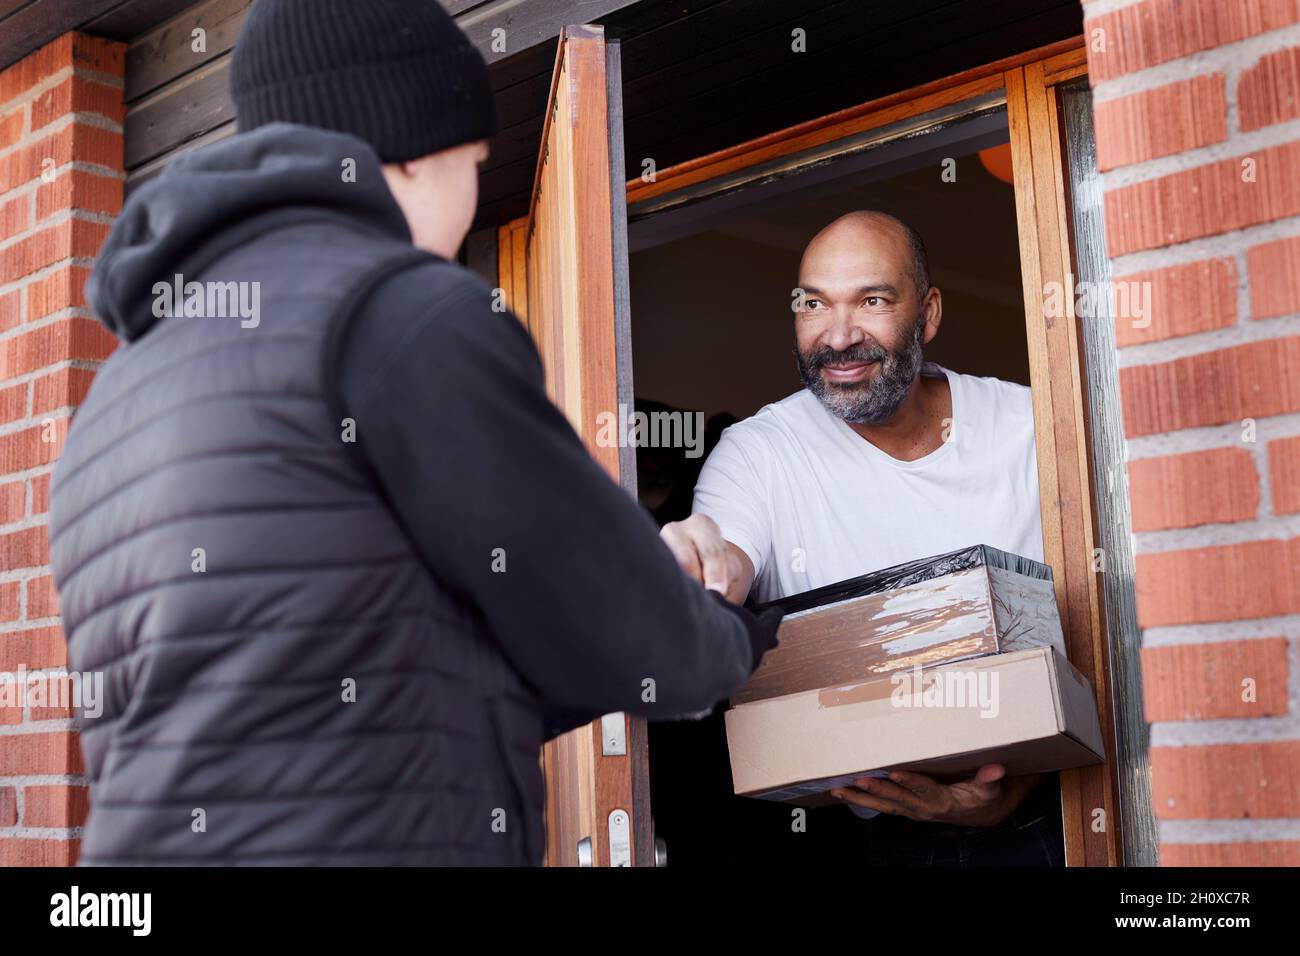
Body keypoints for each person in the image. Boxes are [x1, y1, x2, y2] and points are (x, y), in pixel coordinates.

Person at [48, 0, 780, 866]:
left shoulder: (110, 404)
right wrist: (720, 616)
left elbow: (375, 687)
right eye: (472, 163)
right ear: (409, 148)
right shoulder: (398, 311)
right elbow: (645, 639)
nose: (467, 207)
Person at [660, 210, 1064, 866]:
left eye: (872, 301)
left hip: (1057, 811)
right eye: (814, 303)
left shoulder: (1031, 428)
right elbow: (724, 558)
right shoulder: (758, 454)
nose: (839, 336)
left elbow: (1107, 622)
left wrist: (1010, 794)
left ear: (927, 315)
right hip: (872, 833)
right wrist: (694, 561)